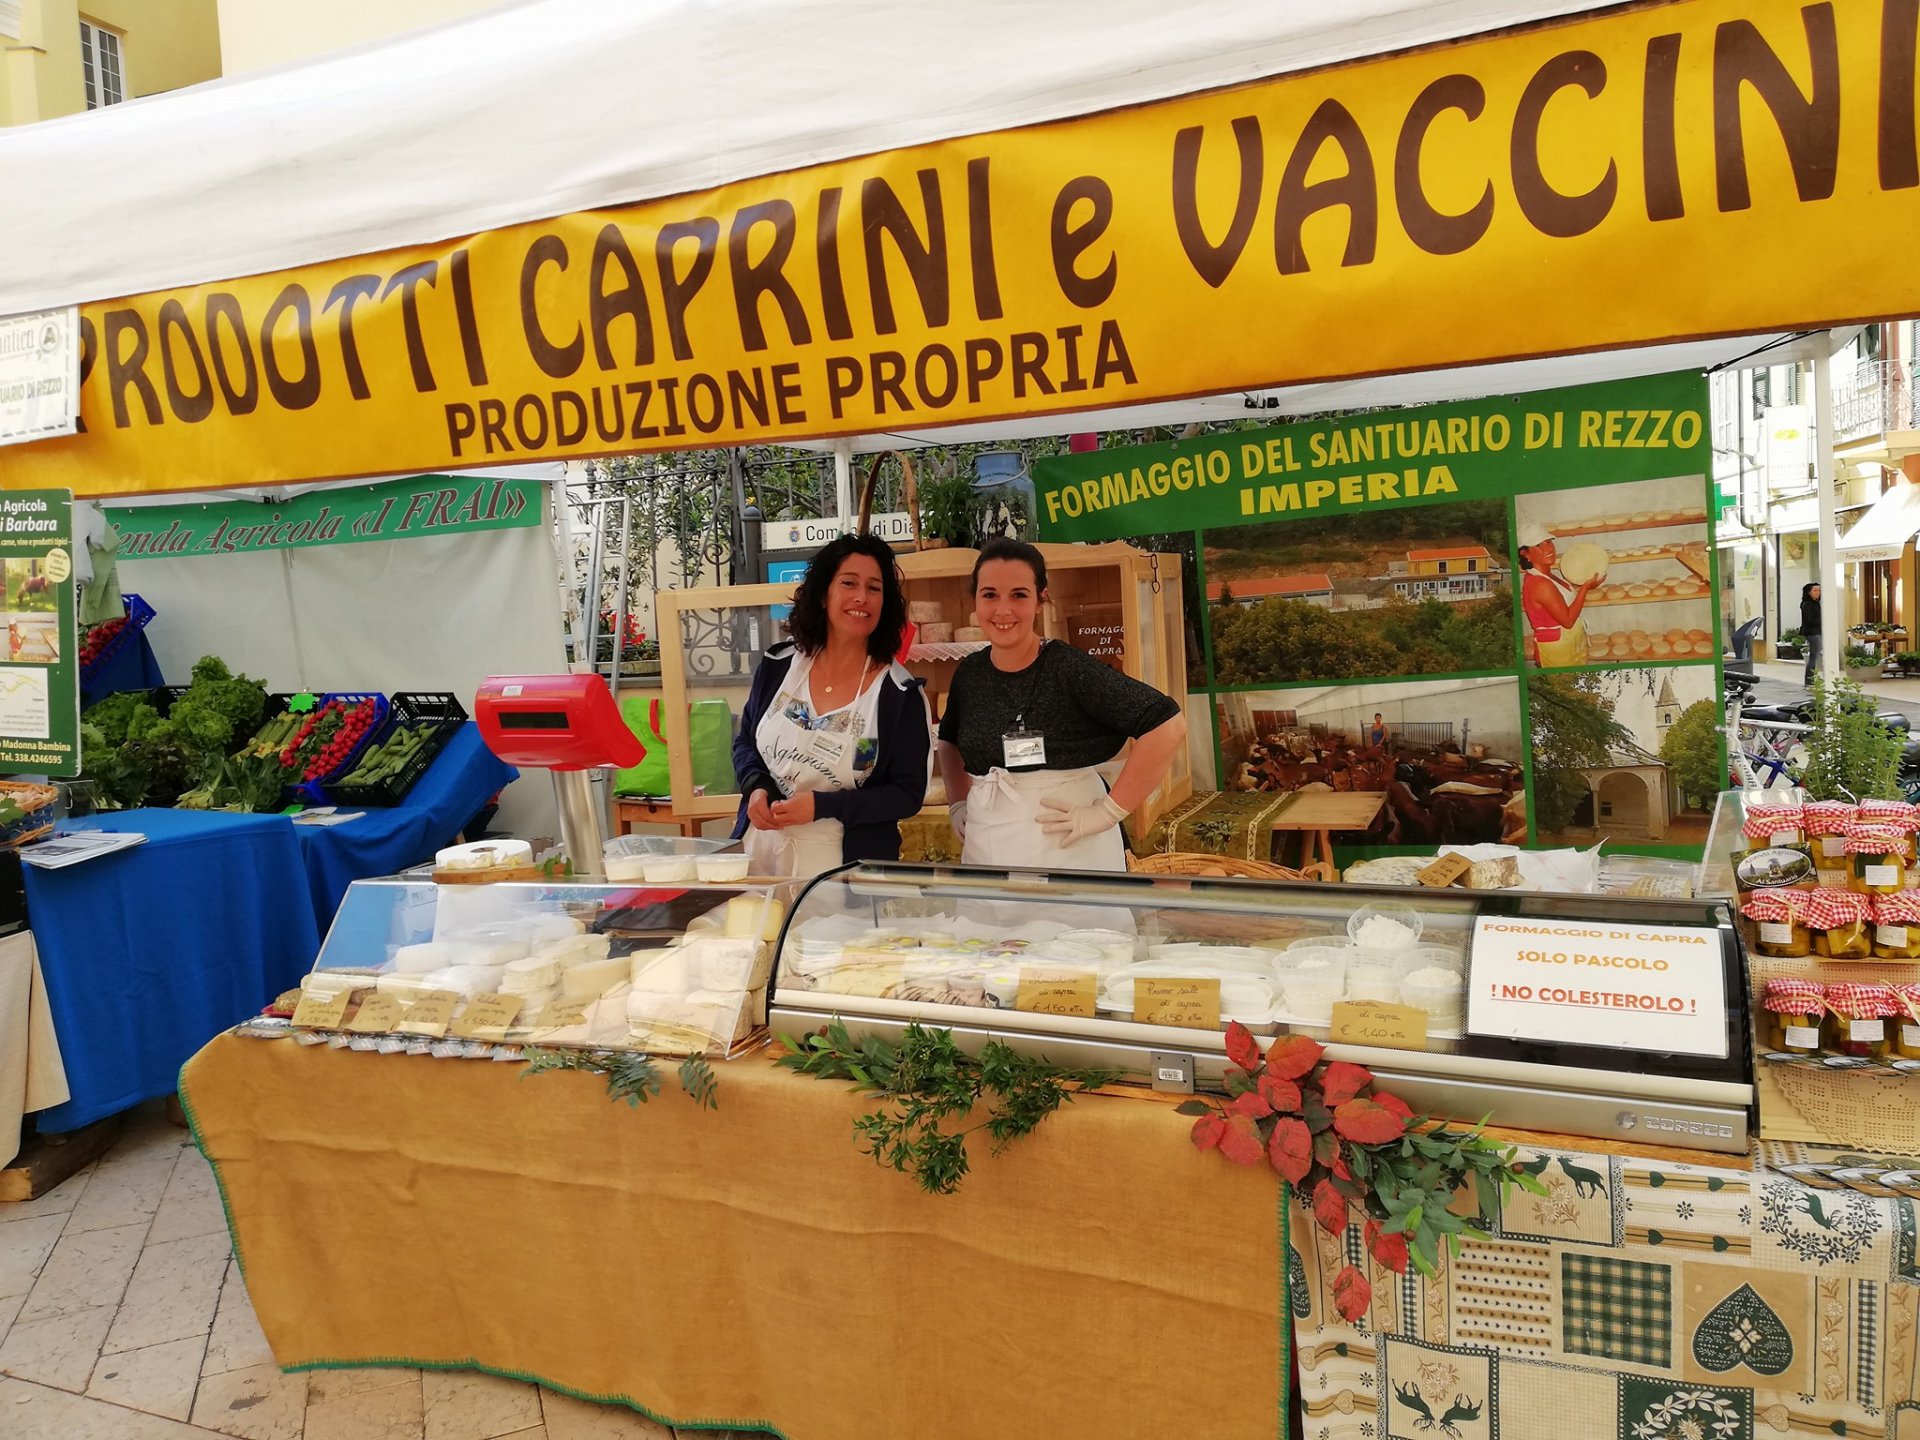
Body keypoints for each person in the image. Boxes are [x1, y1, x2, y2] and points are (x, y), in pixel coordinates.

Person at [936, 538, 1186, 873]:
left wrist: (1107, 812)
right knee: (986, 926)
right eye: (990, 594)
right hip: (989, 849)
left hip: (1070, 848)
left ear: (1041, 600)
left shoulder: (1069, 668)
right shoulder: (970, 673)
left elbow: (1167, 726)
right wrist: (958, 803)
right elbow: (949, 740)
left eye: (1019, 595)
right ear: (976, 601)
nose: (1003, 609)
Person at [733, 533, 932, 877]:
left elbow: (906, 794)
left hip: (845, 872)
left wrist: (822, 806)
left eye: (874, 588)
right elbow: (745, 742)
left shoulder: (899, 695)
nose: (861, 598)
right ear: (824, 594)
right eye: (849, 583)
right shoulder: (778, 666)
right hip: (759, 856)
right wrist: (756, 789)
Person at [1517, 522, 1598, 668]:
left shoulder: (1548, 575)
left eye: (1548, 542)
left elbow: (1563, 599)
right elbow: (1567, 620)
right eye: (1539, 545)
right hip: (1559, 649)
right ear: (1526, 554)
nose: (1548, 548)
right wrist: (1585, 588)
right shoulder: (1540, 584)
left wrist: (1588, 584)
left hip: (1570, 642)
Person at [1801, 583, 1823, 687]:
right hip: (1813, 633)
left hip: (1816, 632)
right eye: (1815, 590)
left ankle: (1811, 679)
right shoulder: (1808, 604)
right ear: (1809, 592)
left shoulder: (1815, 603)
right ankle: (1810, 680)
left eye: (1819, 590)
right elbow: (1809, 620)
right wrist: (1821, 620)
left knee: (1815, 656)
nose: (1818, 593)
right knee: (1814, 656)